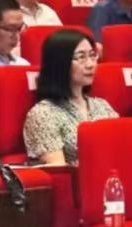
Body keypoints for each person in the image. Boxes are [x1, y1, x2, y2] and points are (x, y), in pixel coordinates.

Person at [23, 29, 118, 165]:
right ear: (60, 62)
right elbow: (59, 170)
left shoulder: (102, 106)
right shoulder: (43, 114)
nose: (91, 64)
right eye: (81, 57)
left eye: (92, 55)